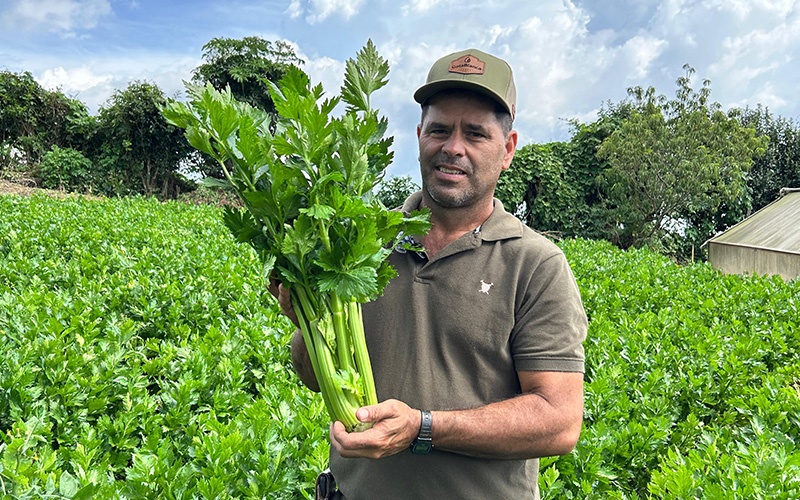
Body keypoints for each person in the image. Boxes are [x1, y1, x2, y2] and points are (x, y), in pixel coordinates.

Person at [276, 48, 588, 500]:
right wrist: (306, 321)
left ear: (508, 150)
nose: (453, 147)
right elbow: (312, 375)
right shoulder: (360, 243)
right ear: (420, 135)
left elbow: (559, 421)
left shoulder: (535, 265)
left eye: (476, 134)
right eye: (440, 129)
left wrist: (424, 428)